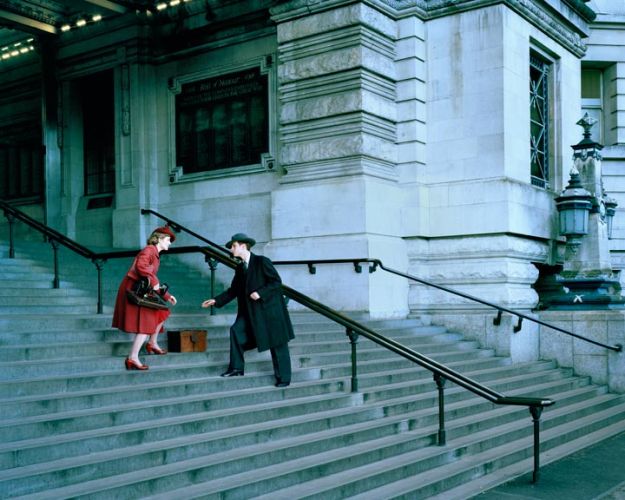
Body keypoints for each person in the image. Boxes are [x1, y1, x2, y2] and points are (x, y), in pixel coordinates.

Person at [202, 233, 294, 387]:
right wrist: (216, 300)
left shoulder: (261, 262)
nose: (231, 250)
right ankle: (237, 368)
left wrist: (260, 293)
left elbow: (276, 282)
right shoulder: (240, 268)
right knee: (236, 331)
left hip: (269, 311)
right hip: (251, 312)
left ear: (243, 246)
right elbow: (233, 290)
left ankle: (284, 378)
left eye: (233, 246)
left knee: (278, 345)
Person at [112, 226, 178, 370]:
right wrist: (155, 283)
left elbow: (151, 277)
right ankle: (133, 358)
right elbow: (141, 267)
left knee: (162, 313)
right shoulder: (149, 250)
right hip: (134, 289)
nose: (170, 243)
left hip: (141, 289)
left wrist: (167, 296)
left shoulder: (154, 253)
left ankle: (152, 343)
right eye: (168, 240)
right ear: (159, 239)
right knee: (146, 322)